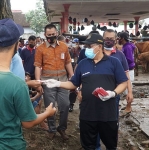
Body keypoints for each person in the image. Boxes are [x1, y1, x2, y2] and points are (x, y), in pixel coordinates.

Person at [42, 33, 128, 150]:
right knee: (88, 146)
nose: (86, 49)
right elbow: (74, 83)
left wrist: (113, 93)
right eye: (86, 47)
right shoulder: (83, 64)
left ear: (99, 46)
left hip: (108, 114)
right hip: (88, 114)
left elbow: (123, 82)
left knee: (111, 145)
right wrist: (58, 83)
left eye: (90, 46)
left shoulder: (113, 62)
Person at [0, 18, 56, 150]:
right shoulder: (16, 84)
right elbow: (28, 122)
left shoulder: (16, 85)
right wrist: (48, 112)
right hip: (9, 145)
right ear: (15, 45)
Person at [95, 29, 134, 150]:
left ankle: (111, 146)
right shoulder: (95, 53)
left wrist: (130, 92)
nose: (109, 41)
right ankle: (96, 146)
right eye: (107, 38)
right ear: (102, 38)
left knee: (112, 122)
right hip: (95, 95)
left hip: (114, 94)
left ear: (116, 39)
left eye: (112, 39)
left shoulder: (120, 55)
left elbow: (126, 75)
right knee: (95, 121)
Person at [34, 24, 74, 140]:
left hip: (62, 81)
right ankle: (52, 129)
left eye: (53, 34)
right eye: (49, 35)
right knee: (50, 107)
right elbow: (37, 66)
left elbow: (67, 62)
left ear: (57, 33)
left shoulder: (64, 47)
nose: (51, 37)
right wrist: (38, 83)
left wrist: (72, 76)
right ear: (45, 35)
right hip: (47, 83)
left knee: (65, 105)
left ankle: (62, 128)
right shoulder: (40, 48)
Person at [118, 32, 135, 114]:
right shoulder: (126, 46)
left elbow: (129, 59)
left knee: (128, 89)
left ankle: (129, 107)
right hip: (127, 69)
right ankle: (128, 106)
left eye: (119, 38)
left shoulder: (127, 47)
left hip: (128, 69)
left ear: (123, 38)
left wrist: (122, 63)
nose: (118, 39)